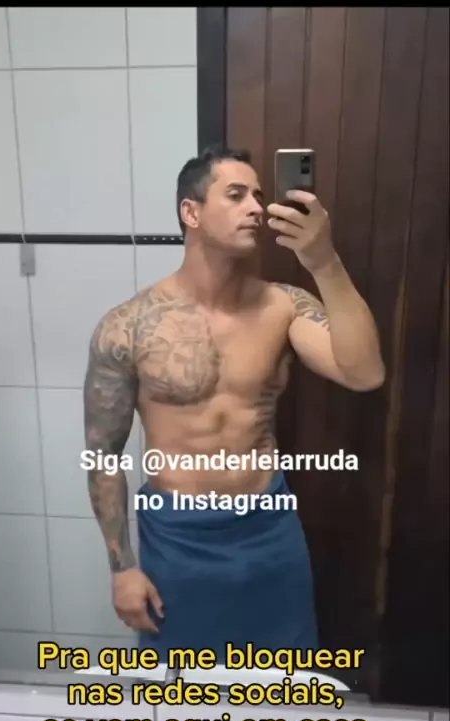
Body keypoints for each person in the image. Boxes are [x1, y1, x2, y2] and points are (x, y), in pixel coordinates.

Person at [83, 144, 385, 662]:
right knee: (184, 693)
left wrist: (324, 261)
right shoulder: (128, 326)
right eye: (236, 194)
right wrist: (122, 567)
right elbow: (102, 455)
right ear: (191, 212)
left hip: (268, 530)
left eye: (259, 196)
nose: (256, 208)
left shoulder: (284, 306)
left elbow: (365, 373)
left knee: (284, 688)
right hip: (177, 537)